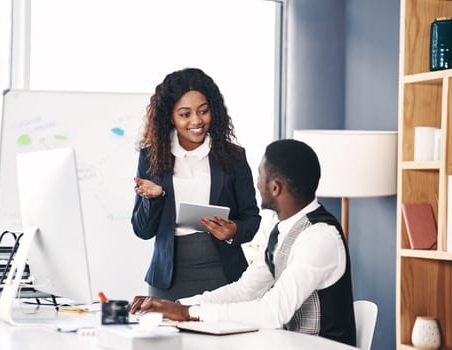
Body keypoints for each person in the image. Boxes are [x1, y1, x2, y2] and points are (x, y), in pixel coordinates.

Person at [130, 139, 357, 346]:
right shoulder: (283, 231)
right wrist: (176, 305)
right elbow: (246, 289)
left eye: (259, 175)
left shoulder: (319, 236)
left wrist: (191, 313)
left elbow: (273, 312)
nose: (256, 183)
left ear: (275, 187)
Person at [131, 68, 261, 301]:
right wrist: (154, 199)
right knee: (170, 337)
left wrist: (233, 231)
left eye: (203, 111)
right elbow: (142, 230)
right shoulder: (151, 158)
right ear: (170, 117)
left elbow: (252, 219)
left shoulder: (234, 157)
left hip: (224, 276)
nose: (196, 121)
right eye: (185, 114)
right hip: (168, 279)